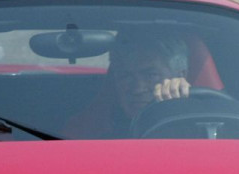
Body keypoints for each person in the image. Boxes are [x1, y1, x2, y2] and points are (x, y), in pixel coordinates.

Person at [64, 31, 193, 138]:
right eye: (125, 76)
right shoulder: (99, 132)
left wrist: (180, 106)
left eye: (150, 75)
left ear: (180, 75)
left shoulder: (205, 121)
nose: (137, 89)